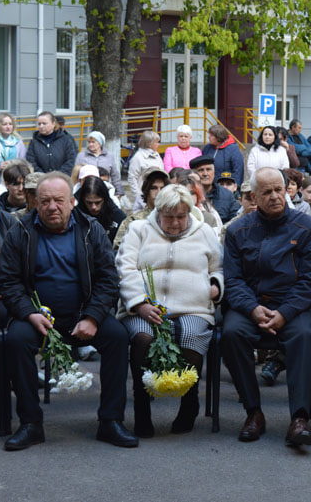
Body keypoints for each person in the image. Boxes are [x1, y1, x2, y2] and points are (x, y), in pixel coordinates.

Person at [0, 172, 135, 450]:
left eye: (59, 201)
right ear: (36, 202)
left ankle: (110, 421)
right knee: (16, 340)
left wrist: (93, 317)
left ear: (72, 202)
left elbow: (108, 279)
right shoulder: (21, 231)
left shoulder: (91, 229)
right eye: (45, 201)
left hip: (83, 315)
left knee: (117, 337)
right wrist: (28, 313)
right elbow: (7, 281)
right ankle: (30, 423)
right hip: (37, 317)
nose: (52, 207)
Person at [221, 167, 311, 447]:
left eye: (279, 190)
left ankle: (300, 418)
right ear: (253, 196)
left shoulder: (308, 227)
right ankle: (253, 412)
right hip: (250, 306)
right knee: (231, 334)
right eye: (266, 192)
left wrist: (285, 313)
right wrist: (252, 309)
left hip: (292, 305)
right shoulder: (237, 230)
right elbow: (232, 280)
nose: (275, 197)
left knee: (304, 336)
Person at [117, 184, 223, 436]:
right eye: (169, 217)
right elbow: (125, 268)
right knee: (143, 338)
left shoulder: (204, 232)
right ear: (158, 211)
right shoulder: (139, 230)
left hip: (193, 307)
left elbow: (218, 267)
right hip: (144, 307)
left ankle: (190, 401)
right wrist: (140, 303)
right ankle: (142, 406)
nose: (175, 223)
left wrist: (216, 285)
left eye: (181, 216)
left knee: (190, 337)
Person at [113, 168, 168, 249]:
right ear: (146, 190)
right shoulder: (132, 221)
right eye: (154, 188)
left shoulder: (174, 219)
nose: (159, 192)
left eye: (162, 188)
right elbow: (119, 249)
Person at [75, 175, 126, 244]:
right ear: (83, 200)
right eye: (89, 203)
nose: (94, 207)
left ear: (105, 199)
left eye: (98, 202)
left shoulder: (118, 217)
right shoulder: (76, 216)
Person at [191, 155, 240, 223]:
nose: (205, 174)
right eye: (201, 170)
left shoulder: (227, 195)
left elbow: (235, 220)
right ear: (194, 174)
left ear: (214, 172)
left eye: (208, 169)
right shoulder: (190, 194)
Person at [27, 111, 77, 175]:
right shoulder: (34, 142)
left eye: (44, 123)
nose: (41, 126)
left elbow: (71, 160)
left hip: (62, 179)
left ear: (53, 124)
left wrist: (58, 175)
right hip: (40, 180)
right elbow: (31, 162)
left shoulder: (66, 140)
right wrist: (43, 176)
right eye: (39, 124)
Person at [125, 130, 163, 211]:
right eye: (156, 142)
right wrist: (139, 197)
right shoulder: (138, 158)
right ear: (149, 143)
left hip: (158, 196)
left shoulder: (157, 156)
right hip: (143, 198)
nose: (158, 144)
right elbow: (132, 178)